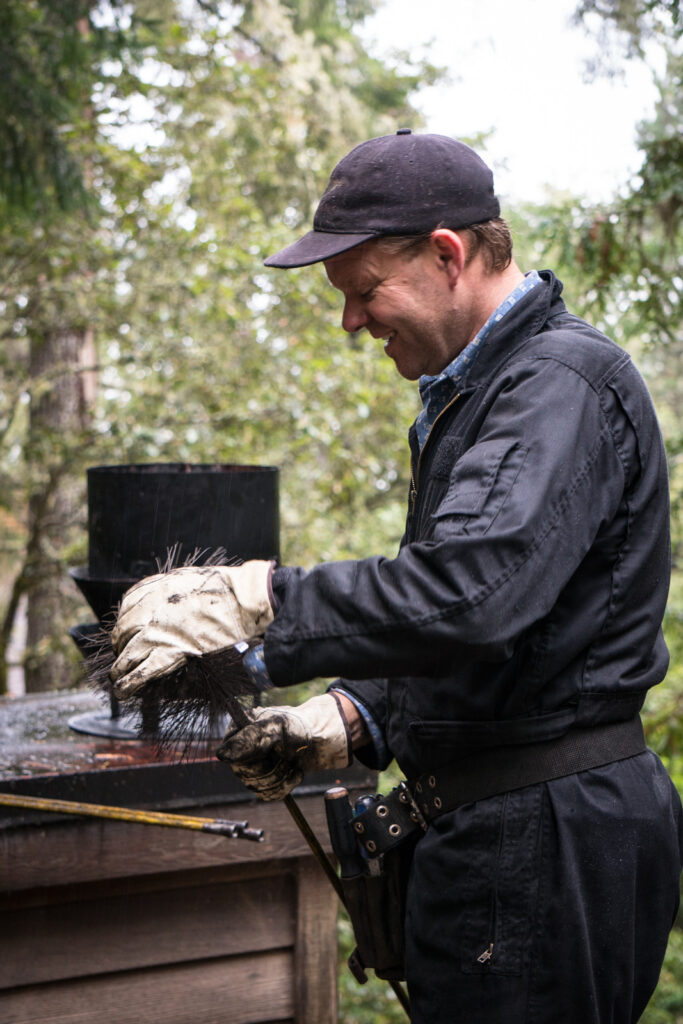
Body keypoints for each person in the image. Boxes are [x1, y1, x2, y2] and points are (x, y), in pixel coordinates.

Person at [110, 130, 683, 1023]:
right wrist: (353, 716)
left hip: (544, 843)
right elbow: (505, 629)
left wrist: (257, 599)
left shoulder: (557, 385)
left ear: (447, 254)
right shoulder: (481, 392)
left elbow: (471, 593)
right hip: (499, 836)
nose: (350, 322)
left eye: (364, 292)